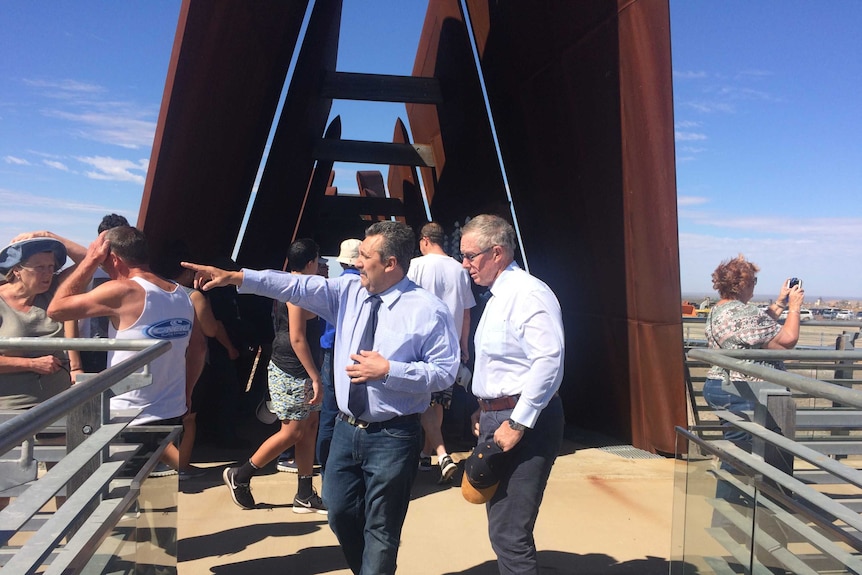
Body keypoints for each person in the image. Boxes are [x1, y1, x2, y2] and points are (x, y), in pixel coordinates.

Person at [183, 221, 459, 575]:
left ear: (391, 263)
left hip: (394, 435)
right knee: (339, 511)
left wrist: (389, 370)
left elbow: (444, 371)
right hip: (346, 430)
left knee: (383, 528)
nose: (357, 263)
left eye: (365, 256)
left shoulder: (428, 310)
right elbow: (294, 284)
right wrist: (236, 277)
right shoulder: (347, 293)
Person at [459, 214, 565, 575]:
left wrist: (517, 421)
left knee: (509, 531)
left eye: (471, 256)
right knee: (501, 524)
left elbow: (549, 361)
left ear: (498, 253)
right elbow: (502, 363)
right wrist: (482, 406)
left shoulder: (528, 293)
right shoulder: (497, 297)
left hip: (523, 421)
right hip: (498, 416)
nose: (465, 264)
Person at [47, 226, 196, 474]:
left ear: (114, 258)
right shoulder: (181, 295)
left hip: (129, 414)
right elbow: (197, 351)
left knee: (117, 496)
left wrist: (90, 261)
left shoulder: (123, 290)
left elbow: (57, 309)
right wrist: (187, 391)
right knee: (146, 493)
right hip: (170, 408)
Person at [222, 239, 327, 513]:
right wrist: (316, 376)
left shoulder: (293, 285)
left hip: (302, 367)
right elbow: (297, 338)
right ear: (311, 262)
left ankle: (305, 493)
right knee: (293, 430)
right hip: (292, 368)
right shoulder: (295, 292)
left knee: (309, 426)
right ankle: (241, 474)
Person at [703, 255, 804, 451]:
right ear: (741, 284)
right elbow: (788, 339)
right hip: (743, 391)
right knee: (744, 454)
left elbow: (756, 328)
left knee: (739, 449)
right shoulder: (745, 313)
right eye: (753, 281)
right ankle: (735, 481)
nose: (754, 286)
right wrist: (795, 308)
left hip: (723, 385)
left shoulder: (720, 309)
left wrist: (780, 303)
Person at [407, 222, 476, 482]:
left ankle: (439, 452)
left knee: (423, 401)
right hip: (450, 347)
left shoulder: (415, 266)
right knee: (439, 402)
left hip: (420, 345)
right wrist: (464, 344)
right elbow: (466, 313)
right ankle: (427, 455)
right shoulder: (460, 269)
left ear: (424, 240)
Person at [313, 238, 361, 478]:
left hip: (330, 351)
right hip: (355, 353)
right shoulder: (366, 286)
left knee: (330, 410)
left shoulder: (331, 285)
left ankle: (325, 467)